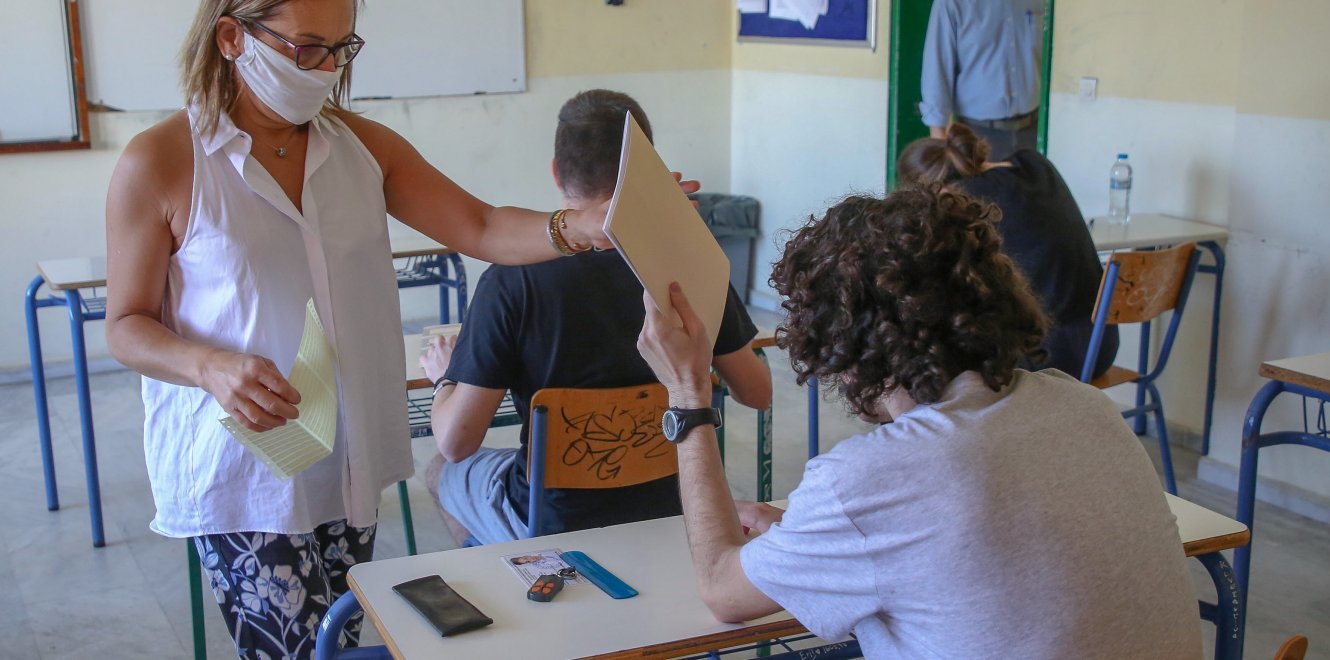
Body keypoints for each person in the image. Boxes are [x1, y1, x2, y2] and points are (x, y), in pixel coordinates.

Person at [102, 3, 693, 657]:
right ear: (231, 36)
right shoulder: (162, 161)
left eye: (341, 48)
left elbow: (480, 226)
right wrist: (208, 366)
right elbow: (126, 325)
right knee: (294, 650)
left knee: (340, 636)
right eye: (307, 48)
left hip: (345, 452)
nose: (325, 69)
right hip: (245, 462)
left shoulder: (360, 148)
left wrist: (583, 225)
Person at [634, 185, 1203, 658]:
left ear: (837, 344)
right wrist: (823, 535)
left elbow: (722, 590)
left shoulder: (869, 478)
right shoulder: (1086, 406)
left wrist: (688, 393)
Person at [419, 89, 771, 545]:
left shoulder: (510, 280)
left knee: (440, 471)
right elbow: (757, 392)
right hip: (680, 504)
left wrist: (445, 380)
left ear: (555, 172)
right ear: (650, 170)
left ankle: (510, 567)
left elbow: (456, 442)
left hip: (552, 520)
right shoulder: (688, 260)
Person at [898, 122, 1118, 380]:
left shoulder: (964, 204)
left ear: (933, 188)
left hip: (1049, 357)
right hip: (1102, 343)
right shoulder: (1035, 164)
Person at [920, 0, 1044, 160]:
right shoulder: (951, 3)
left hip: (1034, 129)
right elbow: (937, 68)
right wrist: (939, 142)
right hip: (976, 134)